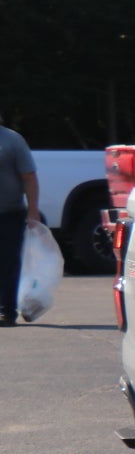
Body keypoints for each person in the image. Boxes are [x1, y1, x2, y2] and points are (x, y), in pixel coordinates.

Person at [0, 110, 40, 327]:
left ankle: (6, 311)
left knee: (7, 263)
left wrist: (33, 210)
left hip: (9, 213)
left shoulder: (11, 140)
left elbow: (29, 177)